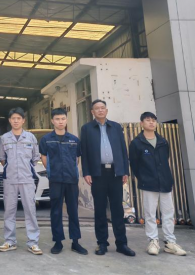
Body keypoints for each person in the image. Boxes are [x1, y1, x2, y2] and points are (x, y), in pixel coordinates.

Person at [80, 99, 135, 257]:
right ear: (92, 112)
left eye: (102, 108)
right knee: (100, 209)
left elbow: (123, 150)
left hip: (115, 173)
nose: (100, 110)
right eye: (97, 108)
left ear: (107, 110)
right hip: (98, 173)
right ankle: (102, 243)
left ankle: (121, 244)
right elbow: (84, 152)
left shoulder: (116, 127)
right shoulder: (87, 129)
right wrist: (86, 172)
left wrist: (124, 171)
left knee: (117, 209)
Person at [129, 112, 186, 257]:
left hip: (165, 181)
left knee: (168, 212)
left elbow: (165, 159)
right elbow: (134, 164)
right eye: (148, 120)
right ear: (142, 123)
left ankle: (170, 242)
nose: (151, 123)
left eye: (154, 120)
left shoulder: (163, 141)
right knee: (150, 213)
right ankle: (153, 241)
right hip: (148, 183)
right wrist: (143, 178)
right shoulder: (137, 143)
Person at [39, 108, 88, 255]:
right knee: (56, 211)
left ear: (66, 120)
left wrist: (70, 171)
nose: (60, 122)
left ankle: (75, 242)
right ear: (52, 121)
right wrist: (52, 171)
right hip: (55, 180)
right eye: (57, 119)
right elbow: (44, 158)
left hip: (71, 180)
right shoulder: (46, 139)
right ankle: (58, 242)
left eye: (63, 119)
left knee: (73, 210)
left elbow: (77, 159)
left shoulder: (74, 139)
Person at [0, 107, 42, 255]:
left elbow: (35, 158)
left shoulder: (30, 137)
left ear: (23, 120)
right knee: (9, 211)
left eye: (18, 118)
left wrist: (25, 169)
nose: (16, 121)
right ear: (9, 121)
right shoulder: (4, 138)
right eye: (13, 118)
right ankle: (10, 241)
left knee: (30, 210)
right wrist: (11, 169)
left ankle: (33, 242)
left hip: (27, 179)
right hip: (10, 180)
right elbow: (2, 158)